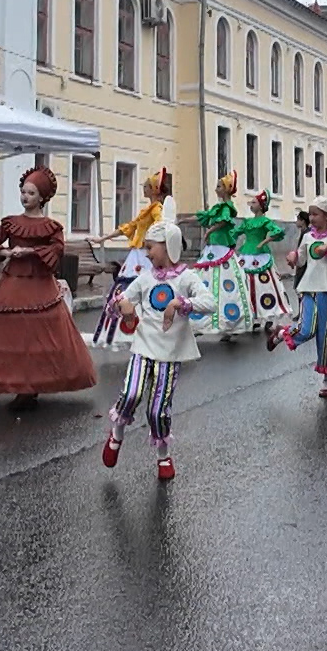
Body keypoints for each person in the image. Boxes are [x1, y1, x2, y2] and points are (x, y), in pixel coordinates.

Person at [0, 166, 97, 411]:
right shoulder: (11, 223)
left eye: (31, 193)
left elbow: (57, 251)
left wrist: (32, 252)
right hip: (13, 282)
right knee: (12, 336)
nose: (25, 197)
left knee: (39, 336)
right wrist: (6, 251)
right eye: (23, 192)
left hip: (39, 284)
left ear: (42, 197)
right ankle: (17, 385)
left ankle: (33, 386)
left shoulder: (52, 227)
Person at [101, 221, 213, 480]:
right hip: (143, 346)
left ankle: (163, 455)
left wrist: (178, 303)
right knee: (131, 394)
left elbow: (210, 302)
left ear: (168, 246)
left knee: (158, 409)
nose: (147, 253)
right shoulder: (145, 278)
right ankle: (116, 434)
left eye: (150, 247)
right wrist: (123, 307)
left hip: (170, 353)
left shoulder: (186, 277)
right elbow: (118, 303)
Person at [87, 169, 175, 347]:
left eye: (146, 186)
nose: (143, 188)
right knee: (131, 289)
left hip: (145, 255)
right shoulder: (147, 210)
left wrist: (156, 244)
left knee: (145, 289)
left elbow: (163, 225)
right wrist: (102, 238)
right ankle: (129, 331)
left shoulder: (157, 209)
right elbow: (128, 227)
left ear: (154, 189)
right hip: (137, 254)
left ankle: (148, 331)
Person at [272, 199, 327, 397]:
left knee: (325, 337)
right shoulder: (308, 236)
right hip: (308, 288)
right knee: (306, 329)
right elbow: (302, 258)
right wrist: (293, 257)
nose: (312, 218)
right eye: (310, 214)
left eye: (316, 214)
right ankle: (283, 334)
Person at [191, 171, 249, 340]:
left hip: (222, 249)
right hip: (212, 250)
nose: (216, 188)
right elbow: (205, 216)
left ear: (226, 189)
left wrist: (210, 230)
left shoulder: (227, 207)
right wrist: (184, 220)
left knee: (225, 285)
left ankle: (227, 324)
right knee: (205, 282)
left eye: (219, 186)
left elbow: (224, 221)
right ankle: (201, 322)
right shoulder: (218, 207)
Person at [232, 190, 293, 334]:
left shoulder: (265, 221)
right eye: (251, 202)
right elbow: (234, 233)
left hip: (261, 257)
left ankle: (267, 315)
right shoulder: (247, 222)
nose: (251, 205)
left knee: (264, 287)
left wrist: (265, 240)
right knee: (245, 285)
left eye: (254, 202)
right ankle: (251, 315)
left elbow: (277, 231)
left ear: (261, 206)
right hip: (246, 255)